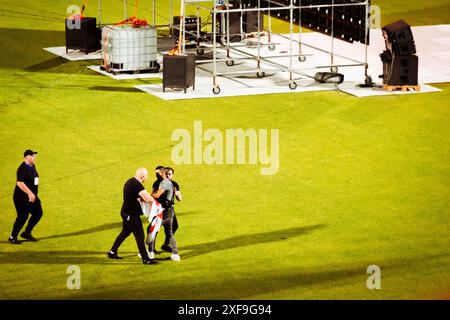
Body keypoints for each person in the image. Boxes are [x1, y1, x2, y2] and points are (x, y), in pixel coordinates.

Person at [107, 168, 156, 265]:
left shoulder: (130, 181)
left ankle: (112, 252)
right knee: (140, 236)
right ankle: (146, 259)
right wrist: (156, 202)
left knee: (125, 232)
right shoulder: (136, 185)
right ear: (142, 176)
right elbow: (148, 198)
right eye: (146, 176)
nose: (146, 178)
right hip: (131, 215)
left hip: (126, 213)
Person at [8, 149, 43, 244]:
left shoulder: (32, 166)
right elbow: (19, 183)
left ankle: (27, 233)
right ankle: (12, 237)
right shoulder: (22, 168)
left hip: (32, 197)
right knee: (22, 216)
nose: (34, 157)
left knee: (38, 213)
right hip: (21, 197)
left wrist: (33, 194)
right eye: (32, 156)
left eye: (35, 156)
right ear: (26, 158)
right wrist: (30, 193)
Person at [148, 167, 180, 261]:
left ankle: (150, 253)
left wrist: (145, 195)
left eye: (158, 173)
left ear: (163, 173)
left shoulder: (164, 183)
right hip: (169, 211)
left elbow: (157, 195)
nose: (157, 175)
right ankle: (175, 254)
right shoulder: (168, 183)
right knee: (169, 232)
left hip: (162, 212)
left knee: (152, 230)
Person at [161, 167, 182, 253]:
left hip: (170, 209)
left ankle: (165, 245)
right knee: (155, 229)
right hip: (161, 209)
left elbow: (180, 198)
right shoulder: (161, 183)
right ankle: (148, 249)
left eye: (169, 174)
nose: (168, 176)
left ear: (172, 175)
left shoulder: (175, 184)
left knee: (175, 226)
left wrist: (177, 194)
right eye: (166, 174)